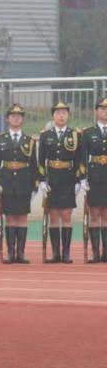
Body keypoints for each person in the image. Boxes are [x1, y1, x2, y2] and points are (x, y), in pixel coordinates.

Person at [0, 104, 39, 264]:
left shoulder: (29, 140)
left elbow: (33, 164)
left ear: (23, 119)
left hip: (24, 182)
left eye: (19, 116)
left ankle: (21, 253)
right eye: (13, 116)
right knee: (10, 218)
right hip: (6, 182)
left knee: (22, 218)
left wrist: (35, 185)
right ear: (7, 119)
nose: (16, 118)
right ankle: (11, 252)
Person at [39, 101, 82, 263]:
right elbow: (41, 160)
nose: (61, 116)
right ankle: (56, 253)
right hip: (52, 179)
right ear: (53, 116)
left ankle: (66, 253)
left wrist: (78, 180)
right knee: (54, 216)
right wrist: (42, 180)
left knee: (66, 215)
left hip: (68, 178)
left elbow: (79, 159)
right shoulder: (45, 135)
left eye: (64, 113)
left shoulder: (75, 135)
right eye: (58, 113)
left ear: (68, 116)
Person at [79, 96, 107, 262]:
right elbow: (82, 156)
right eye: (102, 109)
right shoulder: (88, 132)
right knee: (95, 213)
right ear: (96, 111)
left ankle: (106, 253)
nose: (105, 111)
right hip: (95, 177)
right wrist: (83, 178)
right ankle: (95, 252)